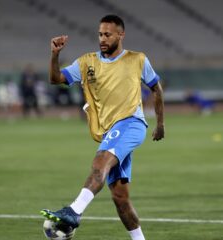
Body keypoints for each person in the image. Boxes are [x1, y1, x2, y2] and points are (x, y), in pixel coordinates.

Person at [40, 15, 165, 240]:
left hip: (131, 123)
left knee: (100, 161)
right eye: (100, 34)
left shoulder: (137, 59)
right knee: (120, 198)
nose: (102, 39)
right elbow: (55, 78)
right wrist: (54, 55)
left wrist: (160, 124)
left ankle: (74, 211)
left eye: (107, 34)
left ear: (121, 35)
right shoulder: (87, 62)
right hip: (110, 130)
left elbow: (157, 89)